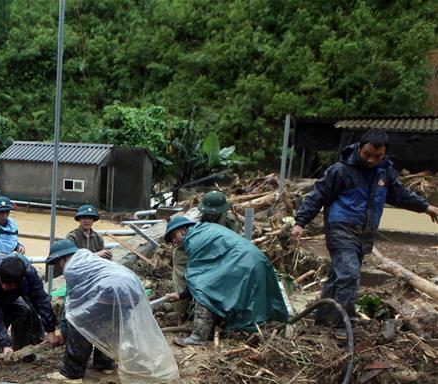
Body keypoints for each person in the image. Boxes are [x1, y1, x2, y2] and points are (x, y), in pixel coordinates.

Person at [291, 128, 438, 337]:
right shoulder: (340, 170)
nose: (371, 160)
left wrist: (426, 207)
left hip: (364, 233)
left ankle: (323, 319)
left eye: (377, 156)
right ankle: (345, 325)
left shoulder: (384, 172)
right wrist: (300, 222)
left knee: (337, 277)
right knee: (349, 275)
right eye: (367, 154)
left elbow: (400, 195)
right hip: (340, 229)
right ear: (359, 148)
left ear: (384, 154)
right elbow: (317, 196)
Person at [45, 240, 178, 384]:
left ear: (63, 258)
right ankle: (104, 364)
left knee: (80, 324)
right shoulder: (88, 257)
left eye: (58, 263)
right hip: (132, 286)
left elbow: (72, 306)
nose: (59, 266)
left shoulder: (72, 268)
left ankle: (72, 372)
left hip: (113, 290)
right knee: (110, 325)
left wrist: (65, 331)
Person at [164, 216, 288, 346]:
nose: (174, 241)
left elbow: (198, 280)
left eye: (174, 235)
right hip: (255, 260)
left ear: (184, 229)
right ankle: (261, 325)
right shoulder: (204, 229)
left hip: (242, 263)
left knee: (205, 292)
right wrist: (180, 296)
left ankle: (198, 337)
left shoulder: (194, 241)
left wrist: (183, 295)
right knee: (249, 297)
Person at [171, 191, 242, 321]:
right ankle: (180, 313)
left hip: (219, 250)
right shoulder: (192, 219)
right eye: (207, 212)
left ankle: (220, 312)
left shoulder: (230, 221)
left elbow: (234, 243)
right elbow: (177, 236)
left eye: (213, 213)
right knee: (183, 276)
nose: (210, 215)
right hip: (187, 249)